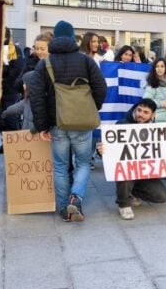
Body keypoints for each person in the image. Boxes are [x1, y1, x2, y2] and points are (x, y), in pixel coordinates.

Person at [28, 21, 107, 222]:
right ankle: (76, 198)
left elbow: (36, 96)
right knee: (82, 163)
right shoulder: (86, 60)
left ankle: (64, 208)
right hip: (82, 122)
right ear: (73, 38)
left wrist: (42, 125)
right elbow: (101, 87)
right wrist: (91, 108)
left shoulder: (45, 63)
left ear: (54, 38)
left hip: (57, 123)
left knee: (61, 166)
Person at [99, 98, 166, 220]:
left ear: (153, 115)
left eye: (145, 112)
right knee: (125, 171)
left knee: (161, 196)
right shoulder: (122, 124)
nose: (141, 114)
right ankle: (123, 203)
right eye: (139, 110)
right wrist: (101, 151)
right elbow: (108, 150)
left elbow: (162, 154)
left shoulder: (157, 130)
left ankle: (132, 192)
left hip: (144, 173)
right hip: (126, 171)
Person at [142, 58, 166, 122]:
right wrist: (161, 103)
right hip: (156, 120)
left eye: (162, 66)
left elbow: (165, 96)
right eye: (157, 66)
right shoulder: (151, 84)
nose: (159, 69)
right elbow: (146, 102)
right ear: (154, 69)